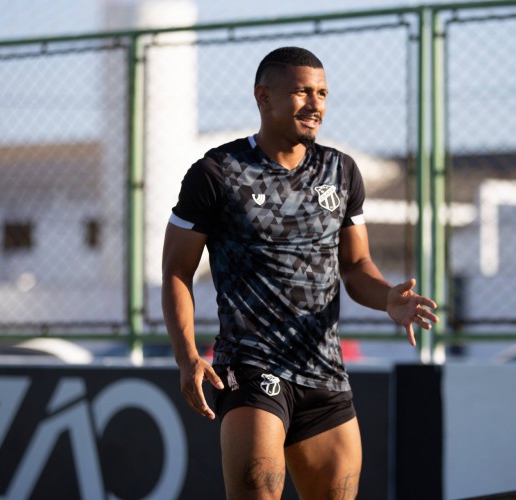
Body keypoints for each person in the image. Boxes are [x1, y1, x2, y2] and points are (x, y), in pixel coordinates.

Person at [162, 46, 438, 499]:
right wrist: (186, 355)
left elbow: (355, 265)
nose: (315, 105)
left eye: (322, 93)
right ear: (263, 97)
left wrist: (389, 297)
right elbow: (176, 270)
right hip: (253, 369)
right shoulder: (216, 172)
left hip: (326, 377)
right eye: (301, 92)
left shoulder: (341, 171)